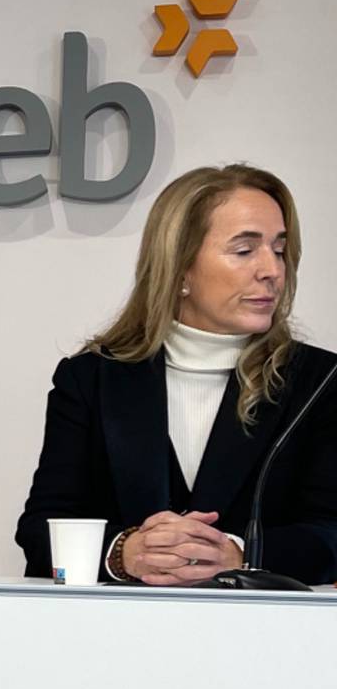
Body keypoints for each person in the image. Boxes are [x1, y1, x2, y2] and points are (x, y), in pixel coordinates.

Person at [17, 164, 337, 585]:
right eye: (244, 250)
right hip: (114, 638)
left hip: (263, 640)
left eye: (278, 249)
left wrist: (237, 553)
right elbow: (41, 528)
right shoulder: (91, 378)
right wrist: (124, 552)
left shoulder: (321, 382)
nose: (272, 271)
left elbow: (330, 534)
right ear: (180, 268)